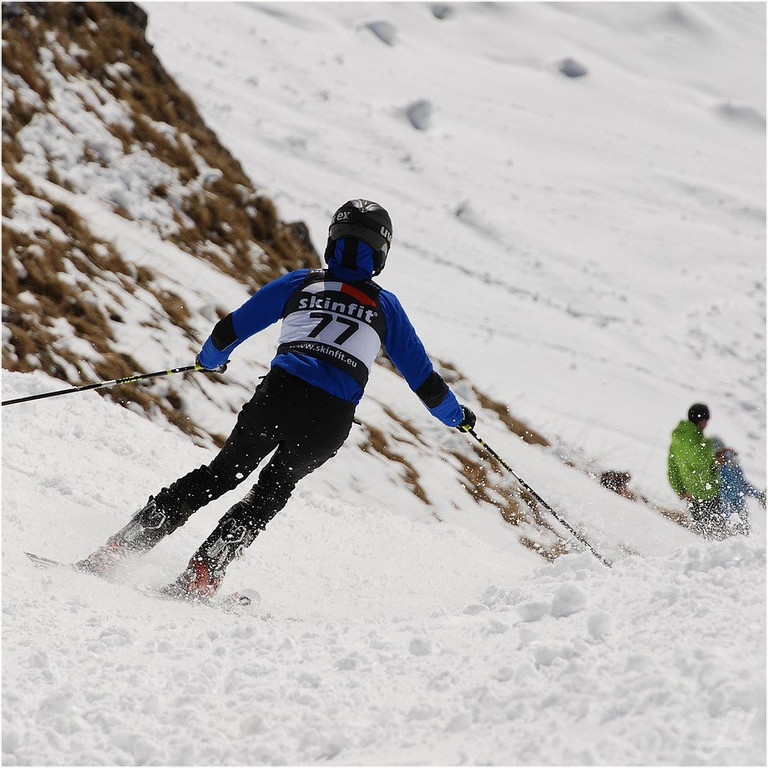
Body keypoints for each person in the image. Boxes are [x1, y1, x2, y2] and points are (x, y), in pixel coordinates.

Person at [77, 199, 477, 598]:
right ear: (381, 253)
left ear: (332, 240)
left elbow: (231, 328)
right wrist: (456, 417)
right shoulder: (386, 307)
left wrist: (209, 361)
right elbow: (425, 381)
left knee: (219, 475)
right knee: (271, 492)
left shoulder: (301, 283)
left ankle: (120, 550)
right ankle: (203, 574)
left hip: (280, 397)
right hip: (329, 420)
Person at [667, 403, 726, 540]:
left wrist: (679, 489)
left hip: (690, 495)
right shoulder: (703, 443)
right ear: (702, 421)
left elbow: (672, 468)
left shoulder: (676, 441)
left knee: (701, 535)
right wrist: (716, 461)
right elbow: (703, 466)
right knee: (717, 536)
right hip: (708, 492)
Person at [714, 444, 765, 536]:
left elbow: (744, 485)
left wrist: (758, 495)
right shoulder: (720, 470)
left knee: (741, 526)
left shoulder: (730, 469)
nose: (718, 459)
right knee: (733, 526)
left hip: (734, 503)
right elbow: (744, 485)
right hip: (727, 504)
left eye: (720, 456)